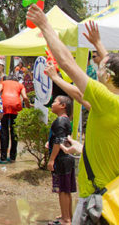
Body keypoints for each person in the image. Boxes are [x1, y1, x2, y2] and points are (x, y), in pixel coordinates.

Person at [27, 6, 119, 224]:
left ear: (107, 76)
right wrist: (98, 44)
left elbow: (68, 64)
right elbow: (118, 73)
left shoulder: (109, 102)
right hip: (115, 198)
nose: (97, 64)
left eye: (101, 65)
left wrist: (44, 25)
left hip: (99, 201)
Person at [48, 95, 76, 225]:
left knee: (63, 191)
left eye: (55, 102)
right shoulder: (66, 121)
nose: (52, 104)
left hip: (61, 159)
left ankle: (66, 219)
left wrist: (51, 159)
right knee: (66, 190)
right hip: (67, 159)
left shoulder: (60, 121)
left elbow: (59, 141)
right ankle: (67, 215)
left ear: (62, 106)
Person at [0, 74, 30, 163]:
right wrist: (28, 106)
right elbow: (25, 97)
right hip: (16, 105)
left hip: (4, 105)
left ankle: (3, 157)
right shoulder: (20, 85)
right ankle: (12, 157)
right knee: (14, 131)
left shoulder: (3, 82)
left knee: (4, 131)